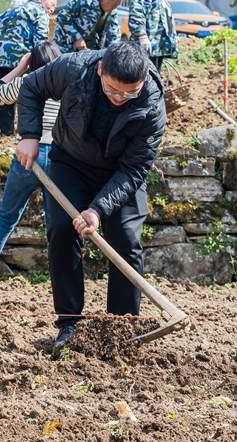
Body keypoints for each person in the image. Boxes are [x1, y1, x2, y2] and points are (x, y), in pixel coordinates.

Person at [15, 41, 165, 357]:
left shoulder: (151, 103)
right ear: (100, 71)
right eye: (113, 91)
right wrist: (28, 135)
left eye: (129, 93)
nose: (120, 99)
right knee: (61, 230)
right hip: (72, 161)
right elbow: (30, 86)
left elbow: (135, 168)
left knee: (126, 240)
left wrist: (97, 209)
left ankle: (122, 327)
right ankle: (70, 323)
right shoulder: (72, 68)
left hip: (121, 172)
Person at [0, 40, 62, 284]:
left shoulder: (25, 82)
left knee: (8, 214)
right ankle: (60, 271)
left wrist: (20, 67)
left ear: (32, 63)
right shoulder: (65, 85)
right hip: (57, 156)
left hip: (27, 156)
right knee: (56, 218)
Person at [0, 0, 58, 136]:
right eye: (51, 4)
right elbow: (41, 42)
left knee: (6, 95)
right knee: (27, 94)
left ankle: (6, 133)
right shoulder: (39, 12)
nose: (52, 9)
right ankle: (28, 132)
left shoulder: (8, 11)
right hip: (21, 58)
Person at [126, 0, 177, 71]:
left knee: (154, 79)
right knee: (144, 80)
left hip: (157, 46)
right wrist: (142, 36)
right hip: (146, 46)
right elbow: (137, 12)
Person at [53, 0, 124, 53]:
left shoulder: (112, 12)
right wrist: (77, 38)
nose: (114, 8)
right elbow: (62, 18)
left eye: (117, 6)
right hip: (65, 44)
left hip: (89, 47)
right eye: (114, 5)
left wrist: (112, 52)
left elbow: (114, 36)